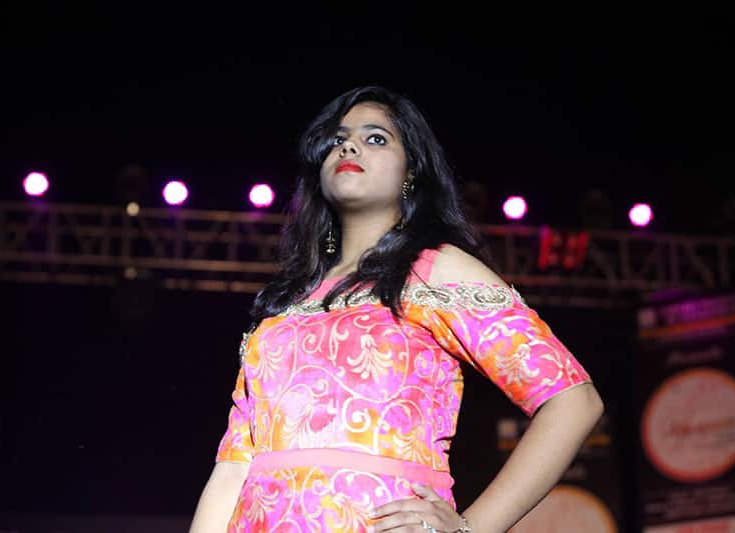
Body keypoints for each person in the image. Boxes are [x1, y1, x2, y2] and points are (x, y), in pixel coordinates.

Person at [189, 86, 604, 532]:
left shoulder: (436, 271)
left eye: (375, 138)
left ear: (411, 173)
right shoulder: (283, 308)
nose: (349, 146)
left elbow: (574, 402)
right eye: (337, 139)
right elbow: (234, 468)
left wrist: (471, 528)